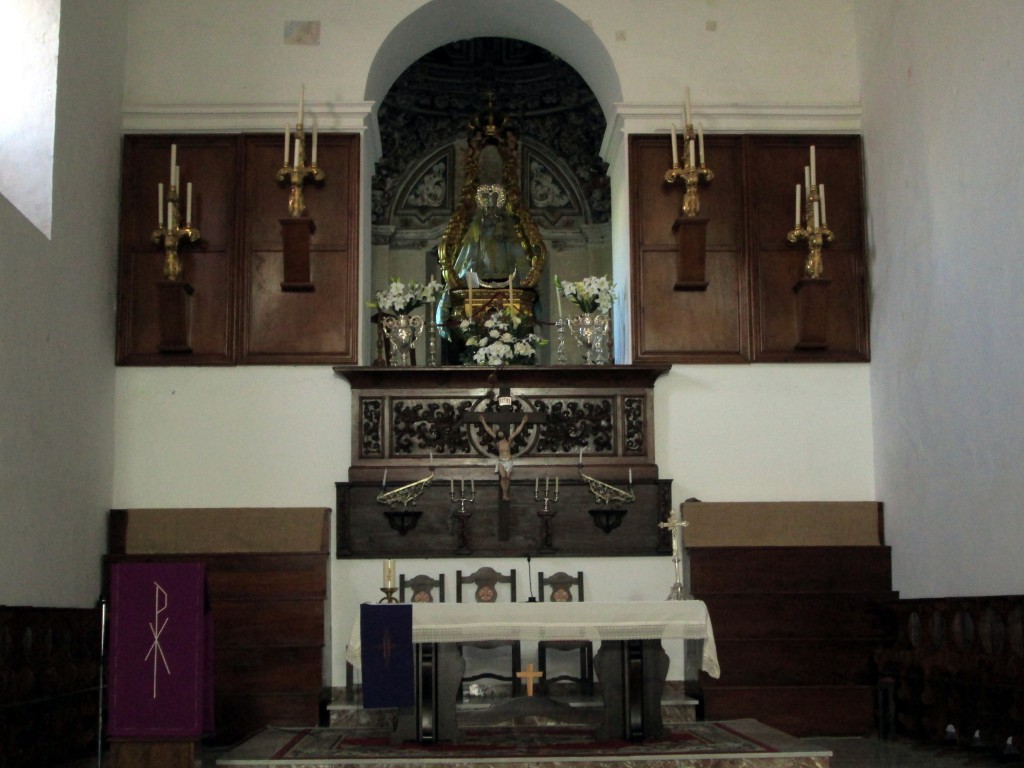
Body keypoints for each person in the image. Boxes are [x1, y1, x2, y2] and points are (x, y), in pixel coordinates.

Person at [479, 413, 529, 501]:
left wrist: (523, 422)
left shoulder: (509, 440)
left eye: (501, 432)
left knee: (507, 478)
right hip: (501, 461)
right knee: (503, 477)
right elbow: (489, 431)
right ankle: (504, 494)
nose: (500, 433)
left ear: (504, 434)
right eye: (498, 432)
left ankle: (506, 492)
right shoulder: (497, 442)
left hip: (509, 461)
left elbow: (517, 431)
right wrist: (483, 421)